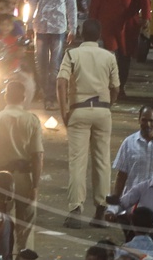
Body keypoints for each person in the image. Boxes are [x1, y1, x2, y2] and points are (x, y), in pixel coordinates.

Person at [58, 19, 121, 227]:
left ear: (81, 34)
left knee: (78, 161)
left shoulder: (72, 54)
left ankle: (76, 210)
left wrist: (64, 110)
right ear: (99, 35)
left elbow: (61, 81)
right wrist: (107, 104)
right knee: (102, 160)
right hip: (103, 111)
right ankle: (101, 210)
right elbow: (116, 88)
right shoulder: (109, 56)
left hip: (79, 110)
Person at [0, 77, 43, 249]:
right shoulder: (32, 120)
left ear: (5, 97)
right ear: (24, 98)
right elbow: (37, 156)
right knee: (25, 228)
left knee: (0, 224)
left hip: (1, 179)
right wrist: (35, 186)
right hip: (25, 178)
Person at [90, 0, 149, 97]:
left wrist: (146, 17)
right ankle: (107, 86)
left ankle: (120, 86)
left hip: (128, 22)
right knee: (108, 54)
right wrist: (92, 19)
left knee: (125, 55)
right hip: (107, 20)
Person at [27, 0, 78, 110]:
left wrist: (73, 28)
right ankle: (45, 91)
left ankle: (50, 97)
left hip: (59, 27)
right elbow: (33, 0)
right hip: (41, 26)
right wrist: (28, 23)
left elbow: (71, 4)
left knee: (54, 65)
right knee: (41, 65)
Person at [111, 104, 153, 201]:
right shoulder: (128, 143)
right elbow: (122, 175)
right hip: (133, 200)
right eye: (144, 120)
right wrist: (115, 201)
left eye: (151, 121)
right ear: (139, 120)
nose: (148, 124)